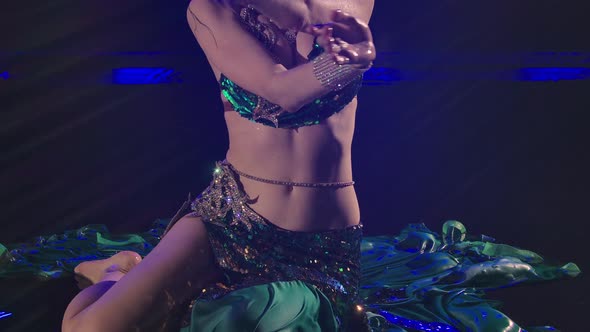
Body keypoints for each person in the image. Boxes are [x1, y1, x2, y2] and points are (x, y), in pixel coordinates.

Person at [0, 0, 580, 331]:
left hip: (324, 238)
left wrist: (353, 55)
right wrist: (352, 63)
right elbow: (279, 96)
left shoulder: (346, 0)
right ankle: (114, 270)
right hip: (234, 216)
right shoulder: (213, 8)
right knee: (91, 331)